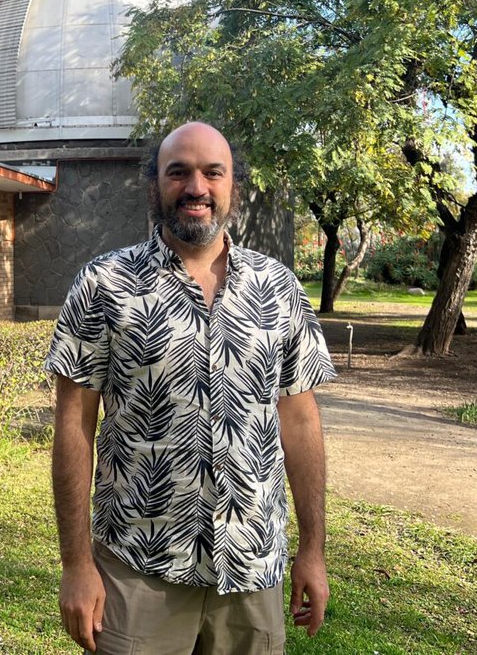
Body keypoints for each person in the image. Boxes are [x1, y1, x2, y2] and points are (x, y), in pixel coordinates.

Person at [46, 121, 337, 654]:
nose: (196, 187)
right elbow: (73, 426)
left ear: (234, 186)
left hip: (254, 570)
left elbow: (300, 423)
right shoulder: (104, 285)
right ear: (154, 184)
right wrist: (76, 565)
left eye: (212, 172)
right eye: (177, 172)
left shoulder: (278, 287)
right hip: (139, 571)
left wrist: (313, 552)